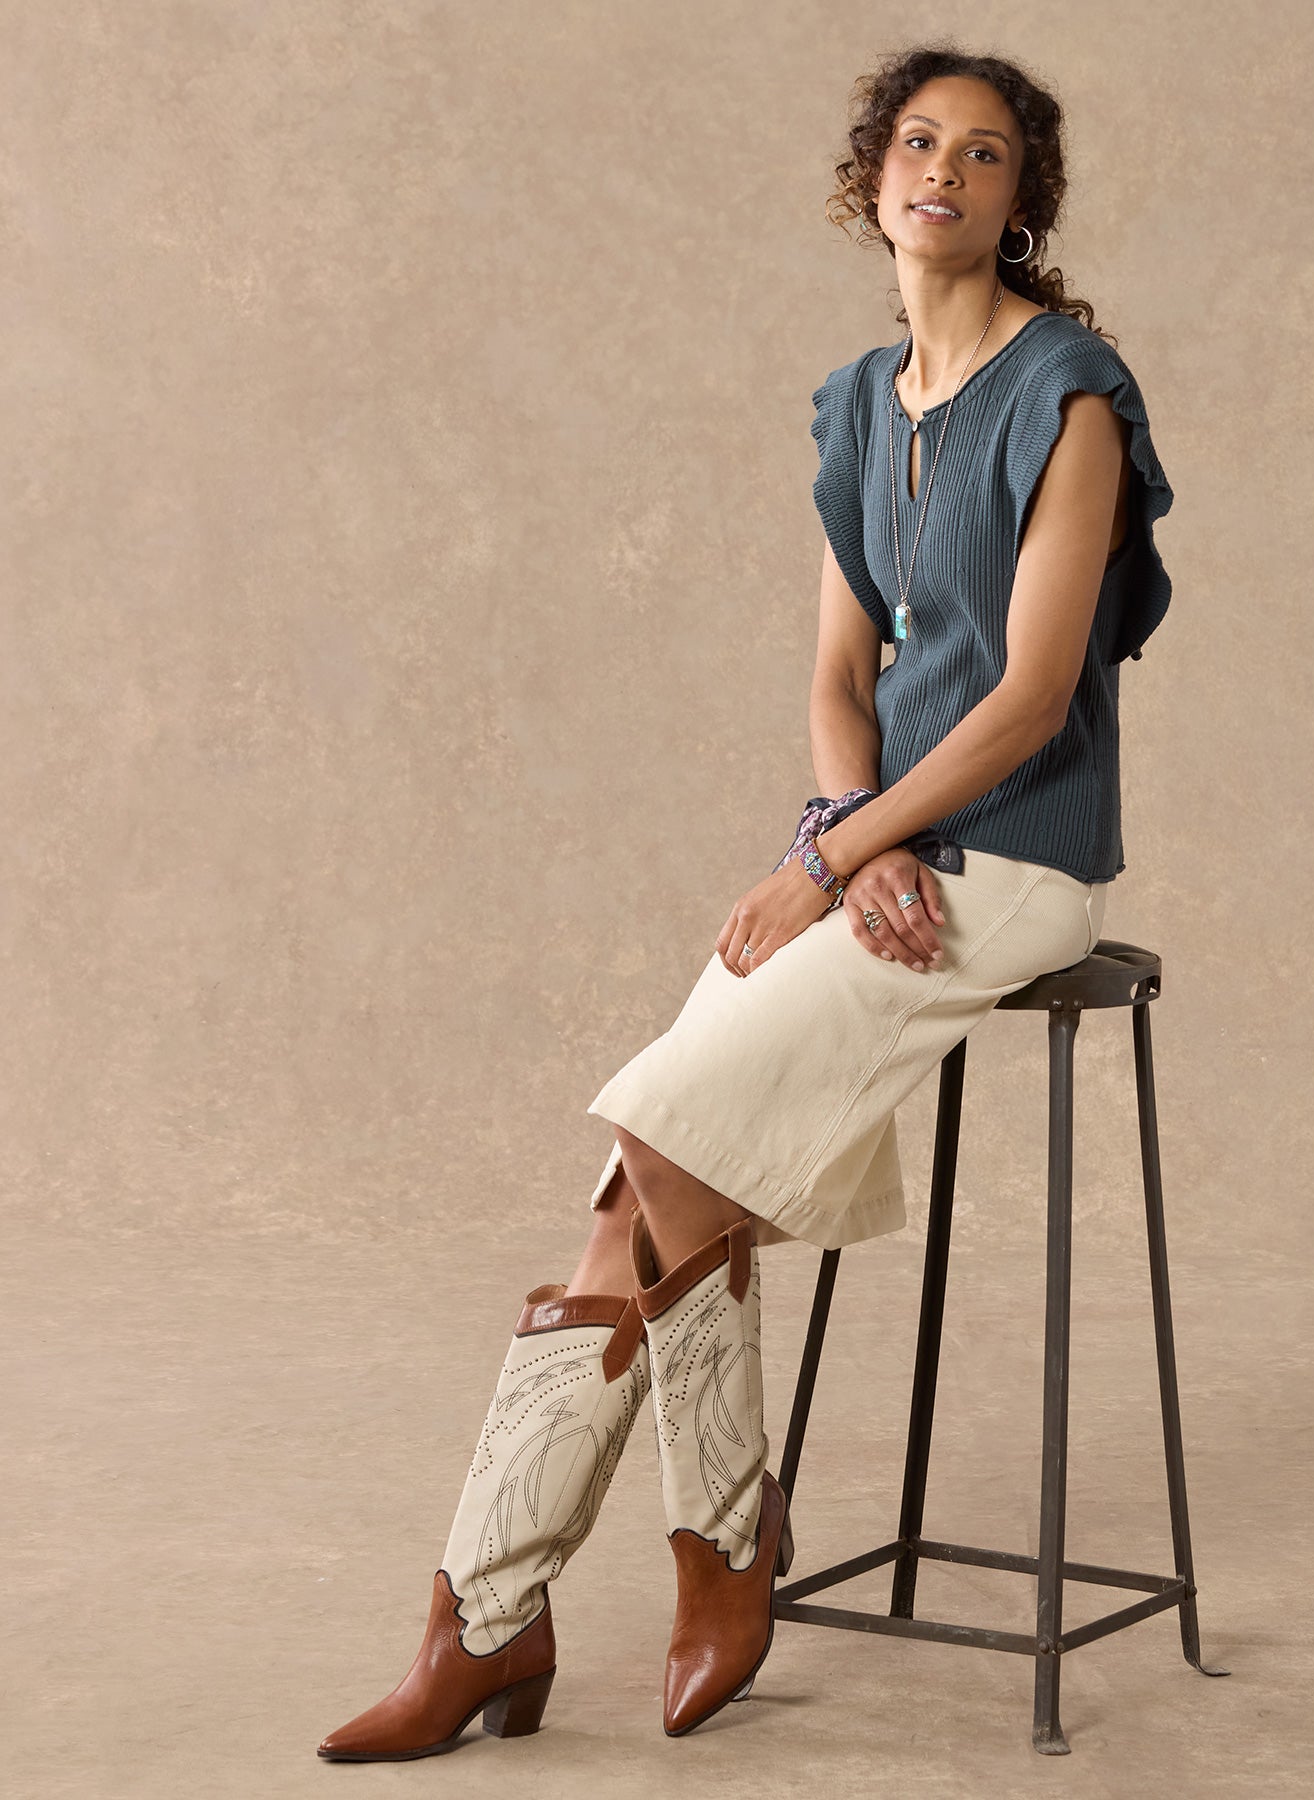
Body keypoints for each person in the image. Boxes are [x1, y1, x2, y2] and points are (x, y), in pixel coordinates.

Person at [316, 43, 1174, 1762]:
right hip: (881, 853)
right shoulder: (860, 407)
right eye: (918, 141)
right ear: (873, 178)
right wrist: (848, 831)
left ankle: (598, 1587)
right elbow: (843, 675)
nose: (944, 171)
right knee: (644, 1177)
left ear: (1022, 199)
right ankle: (523, 1606)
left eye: (984, 153)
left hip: (1015, 865)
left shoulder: (1072, 396)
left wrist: (833, 863)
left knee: (660, 1145)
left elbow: (1027, 698)